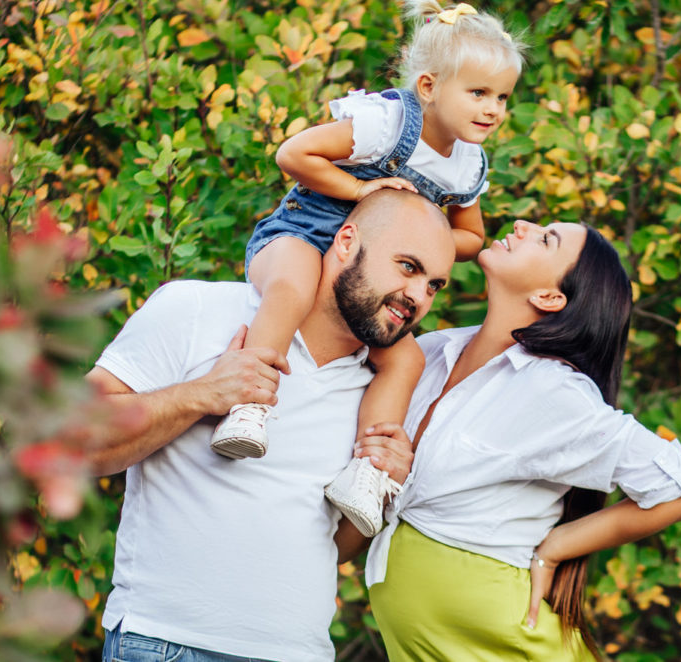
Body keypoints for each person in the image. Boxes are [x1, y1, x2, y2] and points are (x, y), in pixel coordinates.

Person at [84, 190, 455, 662]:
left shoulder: (384, 389)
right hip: (166, 643)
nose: (418, 297)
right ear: (346, 242)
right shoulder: (197, 309)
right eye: (408, 266)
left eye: (434, 285)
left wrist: (385, 489)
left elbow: (333, 547)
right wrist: (202, 393)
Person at [210, 0, 525, 538]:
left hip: (369, 272)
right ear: (428, 87)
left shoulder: (467, 162)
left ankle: (368, 468)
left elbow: (471, 235)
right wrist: (362, 189)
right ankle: (250, 404)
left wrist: (416, 236)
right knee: (292, 286)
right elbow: (295, 155)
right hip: (304, 234)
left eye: (501, 97)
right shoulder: (388, 123)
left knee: (403, 361)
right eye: (478, 93)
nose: (493, 108)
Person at [362, 220, 681, 660]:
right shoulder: (430, 352)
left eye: (547, 239)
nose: (522, 225)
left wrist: (556, 548)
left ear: (549, 297)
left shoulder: (553, 392)